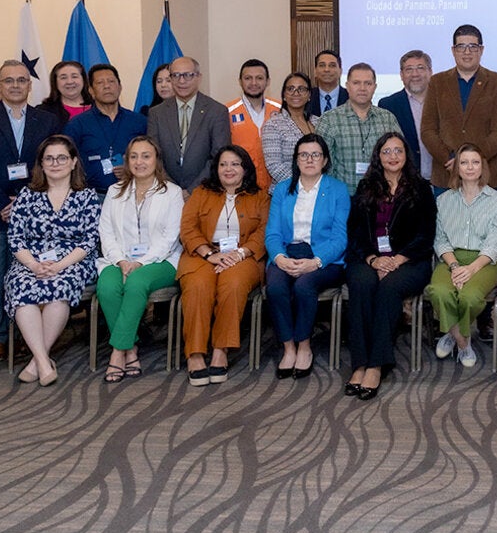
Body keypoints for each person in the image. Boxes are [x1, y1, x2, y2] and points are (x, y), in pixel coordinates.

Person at [0, 60, 62, 363]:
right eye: (9, 81)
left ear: (30, 85)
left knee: (24, 274)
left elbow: (52, 163)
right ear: (0, 85)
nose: (16, 85)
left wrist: (25, 204)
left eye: (21, 80)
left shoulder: (47, 121)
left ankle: (22, 335)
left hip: (34, 214)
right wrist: (2, 204)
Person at [3, 136, 102, 387]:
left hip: (73, 261)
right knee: (23, 289)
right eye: (49, 158)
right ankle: (43, 361)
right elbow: (15, 238)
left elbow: (89, 240)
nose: (55, 163)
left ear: (73, 162)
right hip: (30, 261)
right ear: (41, 164)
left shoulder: (87, 196)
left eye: (62, 158)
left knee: (58, 289)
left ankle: (37, 362)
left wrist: (59, 266)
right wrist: (34, 266)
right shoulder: (27, 195)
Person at [344, 133, 435, 400]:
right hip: (370, 257)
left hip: (410, 261)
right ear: (378, 156)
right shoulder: (366, 187)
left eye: (398, 151)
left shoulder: (421, 188)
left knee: (388, 288)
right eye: (387, 151)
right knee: (361, 283)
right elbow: (357, 233)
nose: (393, 156)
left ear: (406, 155)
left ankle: (376, 365)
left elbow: (426, 235)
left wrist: (398, 259)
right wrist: (373, 259)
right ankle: (360, 363)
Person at [177, 146, 269, 386]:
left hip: (244, 256)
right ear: (216, 169)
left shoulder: (259, 196)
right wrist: (209, 254)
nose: (229, 169)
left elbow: (264, 232)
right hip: (202, 253)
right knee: (198, 285)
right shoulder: (201, 193)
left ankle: (221, 349)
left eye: (235, 164)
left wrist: (240, 253)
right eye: (223, 164)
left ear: (245, 168)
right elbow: (187, 228)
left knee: (233, 284)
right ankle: (195, 353)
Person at [96, 136, 184, 382]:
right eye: (133, 156)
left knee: (136, 283)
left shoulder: (172, 192)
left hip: (161, 261)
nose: (139, 161)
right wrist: (121, 260)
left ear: (156, 160)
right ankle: (131, 349)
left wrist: (141, 262)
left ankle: (117, 351)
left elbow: (169, 237)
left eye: (146, 156)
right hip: (119, 258)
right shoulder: (115, 191)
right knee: (107, 286)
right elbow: (106, 231)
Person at [265, 134, 348, 380]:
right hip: (287, 252)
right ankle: (288, 347)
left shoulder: (337, 190)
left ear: (325, 160)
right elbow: (272, 232)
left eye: (315, 155)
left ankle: (304, 346)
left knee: (304, 285)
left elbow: (340, 238)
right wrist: (279, 258)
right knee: (276, 287)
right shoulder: (283, 189)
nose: (309, 159)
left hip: (325, 257)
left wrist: (315, 262)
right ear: (296, 160)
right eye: (303, 155)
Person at [429, 144, 497, 368]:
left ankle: (451, 333)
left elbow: (496, 242)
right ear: (456, 168)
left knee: (469, 297)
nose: (470, 167)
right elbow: (440, 240)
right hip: (451, 258)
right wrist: (454, 267)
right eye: (464, 162)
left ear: (483, 167)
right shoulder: (444, 201)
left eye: (475, 162)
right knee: (440, 291)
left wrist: (471, 269)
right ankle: (463, 342)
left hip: (485, 261)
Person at [421, 24, 497, 190]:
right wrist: (452, 160)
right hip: (446, 174)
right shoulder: (437, 82)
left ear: (481, 50)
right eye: (461, 46)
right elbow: (428, 130)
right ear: (453, 50)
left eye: (473, 46)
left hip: (488, 177)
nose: (467, 52)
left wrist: (470, 161)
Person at [148, 56, 231, 192]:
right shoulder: (157, 113)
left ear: (199, 77)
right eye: (176, 75)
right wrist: (172, 189)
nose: (182, 81)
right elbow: (153, 155)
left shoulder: (216, 111)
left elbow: (219, 156)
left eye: (188, 75)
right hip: (165, 191)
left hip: (205, 191)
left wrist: (192, 190)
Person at [63, 64, 149, 194]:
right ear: (91, 90)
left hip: (133, 193)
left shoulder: (139, 121)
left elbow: (154, 158)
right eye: (100, 82)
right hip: (92, 197)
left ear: (120, 87)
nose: (107, 86)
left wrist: (133, 166)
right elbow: (66, 161)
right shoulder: (77, 124)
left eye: (111, 81)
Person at [316, 63, 401, 195]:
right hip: (343, 198)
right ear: (347, 86)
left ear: (375, 87)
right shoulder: (329, 120)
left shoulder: (388, 119)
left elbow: (400, 158)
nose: (362, 88)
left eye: (368, 83)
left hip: (382, 198)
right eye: (356, 83)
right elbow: (322, 164)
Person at [378, 50, 434, 181]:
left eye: (420, 68)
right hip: (404, 180)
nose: (415, 74)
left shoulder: (444, 101)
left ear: (430, 72)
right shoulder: (388, 105)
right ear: (401, 75)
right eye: (409, 69)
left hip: (440, 180)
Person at [226, 59, 281, 190]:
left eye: (259, 78)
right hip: (241, 188)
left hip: (275, 189)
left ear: (268, 81)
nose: (254, 83)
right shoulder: (226, 111)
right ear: (240, 81)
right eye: (248, 78)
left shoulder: (281, 109)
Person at [263, 73, 318, 186]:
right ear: (284, 95)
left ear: (309, 95)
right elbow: (274, 166)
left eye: (301, 89)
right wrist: (305, 183)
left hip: (319, 189)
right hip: (288, 190)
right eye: (290, 89)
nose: (296, 93)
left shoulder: (319, 122)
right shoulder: (273, 124)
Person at [36, 61, 91, 126]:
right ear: (55, 82)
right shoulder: (43, 112)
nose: (69, 82)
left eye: (74, 76)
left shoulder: (99, 107)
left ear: (84, 80)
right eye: (63, 78)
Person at [310, 50, 348, 117]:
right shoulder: (307, 97)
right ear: (315, 71)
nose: (327, 69)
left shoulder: (351, 97)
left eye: (332, 65)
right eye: (322, 65)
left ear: (340, 71)